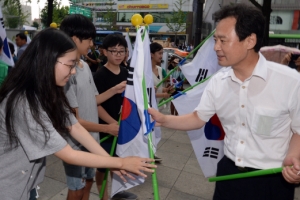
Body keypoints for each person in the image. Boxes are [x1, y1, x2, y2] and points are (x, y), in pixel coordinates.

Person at [148, 4, 300, 200]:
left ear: (250, 40)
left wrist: (294, 156)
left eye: (223, 40)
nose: (216, 47)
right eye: (215, 40)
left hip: (271, 179)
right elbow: (198, 118)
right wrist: (163, 119)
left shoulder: (289, 82)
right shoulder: (218, 82)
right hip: (228, 173)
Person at [0, 28, 156, 200]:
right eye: (70, 64)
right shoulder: (23, 101)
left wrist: (109, 162)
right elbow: (68, 153)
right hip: (7, 185)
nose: (73, 71)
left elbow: (74, 126)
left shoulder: (49, 91)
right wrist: (119, 162)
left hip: (25, 182)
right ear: (48, 61)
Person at [59, 14, 127, 200]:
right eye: (89, 39)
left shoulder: (85, 66)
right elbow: (74, 122)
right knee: (76, 189)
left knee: (87, 184)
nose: (91, 44)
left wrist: (114, 90)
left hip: (91, 139)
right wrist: (107, 128)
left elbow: (94, 100)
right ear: (74, 39)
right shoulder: (66, 72)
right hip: (75, 144)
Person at [93, 34, 137, 200]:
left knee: (118, 159)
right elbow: (95, 105)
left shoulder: (126, 72)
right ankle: (103, 195)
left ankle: (117, 191)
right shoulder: (100, 76)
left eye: (122, 51)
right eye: (114, 51)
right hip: (107, 128)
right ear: (105, 52)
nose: (118, 55)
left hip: (122, 126)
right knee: (104, 166)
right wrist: (112, 124)